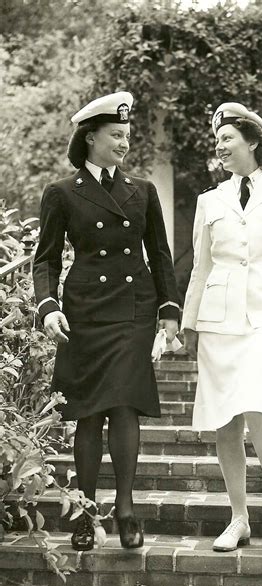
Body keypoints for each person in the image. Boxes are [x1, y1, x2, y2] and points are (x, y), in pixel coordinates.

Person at [33, 92, 180, 550]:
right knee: (88, 413)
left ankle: (127, 508)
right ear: (90, 137)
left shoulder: (142, 191)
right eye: (115, 135)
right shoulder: (61, 192)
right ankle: (86, 510)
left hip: (132, 307)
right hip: (85, 310)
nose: (123, 143)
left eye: (127, 136)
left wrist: (168, 310)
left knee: (123, 405)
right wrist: (47, 305)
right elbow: (47, 259)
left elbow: (159, 253)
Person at [181, 102, 262, 551]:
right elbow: (200, 268)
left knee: (259, 403)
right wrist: (188, 321)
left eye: (227, 139)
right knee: (225, 421)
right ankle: (238, 517)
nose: (219, 146)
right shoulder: (208, 201)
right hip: (218, 318)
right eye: (217, 140)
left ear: (253, 141)